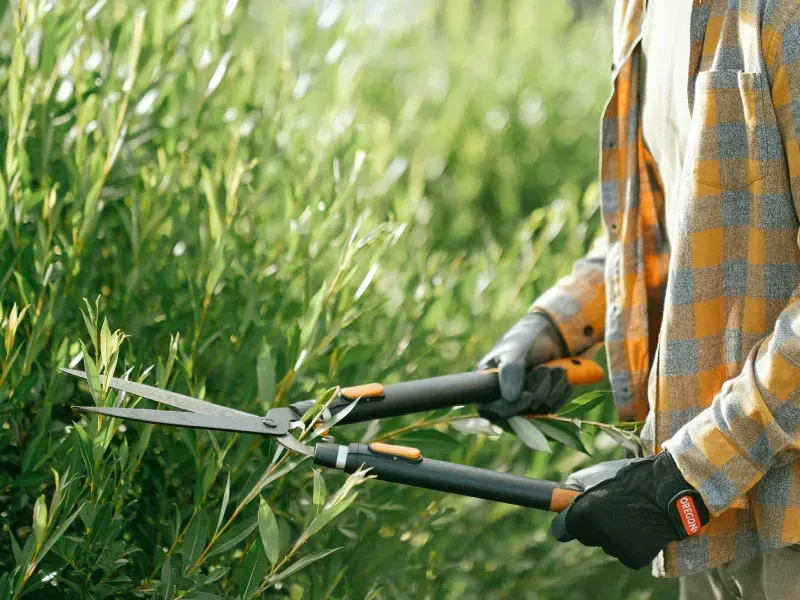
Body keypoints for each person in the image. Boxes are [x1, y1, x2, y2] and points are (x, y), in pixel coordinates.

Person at [477, 1, 800, 598]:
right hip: (712, 516)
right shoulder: (642, 10)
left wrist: (685, 478)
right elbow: (672, 234)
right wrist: (558, 324)